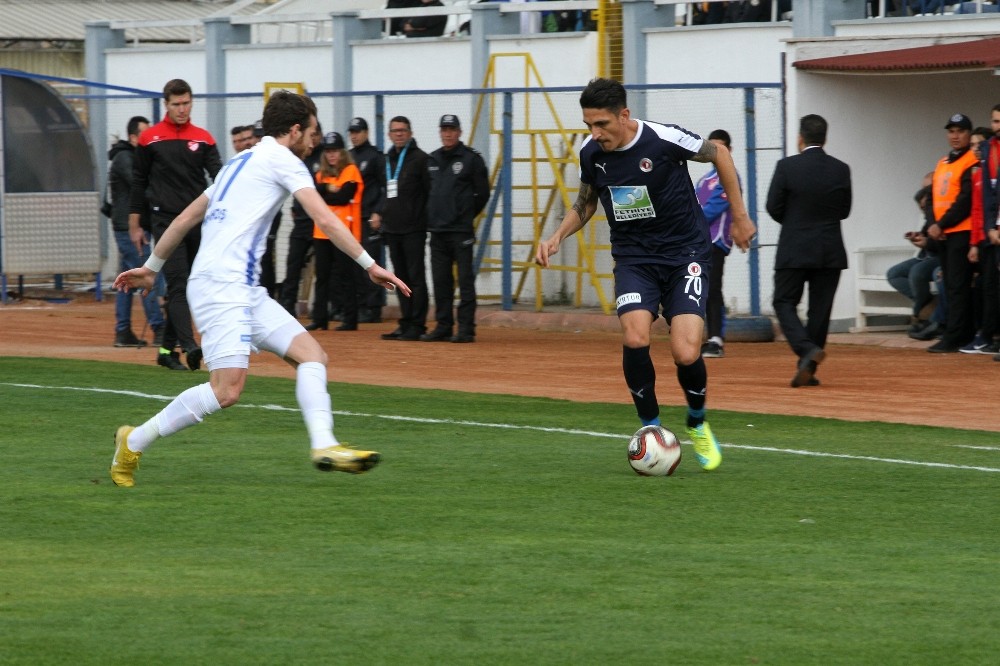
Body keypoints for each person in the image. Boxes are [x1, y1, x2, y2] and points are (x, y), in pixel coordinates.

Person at [110, 90, 411, 488]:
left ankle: (324, 445)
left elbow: (184, 218)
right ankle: (134, 439)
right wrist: (369, 264)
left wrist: (151, 268)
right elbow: (324, 216)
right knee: (226, 390)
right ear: (294, 129)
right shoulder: (283, 160)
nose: (315, 140)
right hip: (221, 285)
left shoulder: (241, 161)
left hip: (242, 287)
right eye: (313, 131)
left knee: (311, 355)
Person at [535, 78, 755, 471]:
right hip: (635, 258)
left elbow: (719, 153)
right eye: (588, 124)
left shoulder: (664, 139)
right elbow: (586, 203)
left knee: (686, 351)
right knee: (635, 335)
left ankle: (697, 422)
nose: (594, 133)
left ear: (624, 115)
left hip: (685, 253)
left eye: (601, 124)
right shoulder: (591, 154)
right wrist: (555, 236)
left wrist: (739, 217)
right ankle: (650, 428)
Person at [129, 78, 222, 372]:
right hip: (165, 221)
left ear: (191, 102)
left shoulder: (204, 138)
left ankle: (167, 351)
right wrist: (135, 222)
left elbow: (220, 178)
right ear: (166, 105)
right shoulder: (150, 138)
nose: (182, 109)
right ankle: (190, 346)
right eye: (176, 104)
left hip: (197, 220)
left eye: (186, 103)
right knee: (179, 284)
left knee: (191, 287)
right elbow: (139, 181)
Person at [766, 114, 852, 387]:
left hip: (794, 246)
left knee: (783, 301)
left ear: (800, 138)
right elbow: (844, 210)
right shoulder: (841, 169)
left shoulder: (787, 166)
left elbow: (772, 206)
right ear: (824, 138)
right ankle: (809, 367)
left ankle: (805, 350)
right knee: (820, 310)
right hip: (830, 248)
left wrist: (794, 223)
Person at [423, 114, 490, 343]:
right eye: (444, 129)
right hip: (438, 232)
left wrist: (466, 214)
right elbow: (425, 193)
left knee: (465, 281)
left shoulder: (471, 159)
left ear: (459, 132)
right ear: (440, 132)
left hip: (460, 231)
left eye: (452, 129)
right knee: (441, 282)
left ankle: (466, 329)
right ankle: (443, 326)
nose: (448, 133)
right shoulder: (432, 159)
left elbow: (482, 194)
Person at [108, 115, 165, 348]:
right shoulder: (125, 158)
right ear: (133, 137)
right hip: (129, 228)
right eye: (144, 133)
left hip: (129, 226)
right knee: (144, 274)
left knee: (127, 279)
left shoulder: (130, 157)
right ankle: (159, 327)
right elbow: (140, 186)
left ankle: (123, 332)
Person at [924, 114, 978, 353]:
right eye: (951, 131)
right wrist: (934, 225)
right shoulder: (943, 161)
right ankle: (958, 332)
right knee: (950, 284)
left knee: (958, 285)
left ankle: (955, 336)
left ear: (968, 133)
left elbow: (965, 200)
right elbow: (932, 197)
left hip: (961, 231)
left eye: (960, 131)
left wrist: (941, 225)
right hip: (944, 232)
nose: (955, 136)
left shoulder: (971, 160)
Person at [379, 116, 431, 341]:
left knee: (416, 277)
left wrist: (422, 219)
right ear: (389, 134)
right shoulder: (387, 159)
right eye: (394, 131)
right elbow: (384, 191)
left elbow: (429, 194)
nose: (399, 134)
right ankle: (405, 321)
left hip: (413, 229)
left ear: (410, 133)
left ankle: (418, 325)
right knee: (398, 278)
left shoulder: (421, 159)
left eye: (403, 130)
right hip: (392, 229)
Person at [307, 131, 365, 332]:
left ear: (342, 152)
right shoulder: (320, 174)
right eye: (328, 151)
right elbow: (317, 195)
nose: (331, 155)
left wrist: (326, 190)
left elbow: (343, 197)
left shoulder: (351, 171)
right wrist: (330, 190)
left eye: (335, 151)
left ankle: (350, 319)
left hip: (343, 231)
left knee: (345, 275)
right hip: (322, 232)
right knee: (322, 276)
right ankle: (320, 318)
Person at [694, 128, 741, 358]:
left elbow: (712, 209)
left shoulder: (729, 175)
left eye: (720, 147)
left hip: (716, 241)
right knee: (699, 290)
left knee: (713, 289)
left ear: (729, 150)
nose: (715, 152)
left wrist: (690, 222)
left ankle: (716, 339)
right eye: (711, 147)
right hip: (698, 242)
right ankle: (703, 336)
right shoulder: (704, 179)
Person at [887, 173, 946, 341]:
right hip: (926, 254)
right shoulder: (928, 207)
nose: (924, 191)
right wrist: (918, 236)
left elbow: (944, 243)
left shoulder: (943, 207)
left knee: (917, 272)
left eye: (927, 188)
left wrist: (926, 243)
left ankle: (922, 315)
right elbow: (928, 233)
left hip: (941, 256)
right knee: (894, 273)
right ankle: (927, 304)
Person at [960, 126, 998, 355]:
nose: (975, 149)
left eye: (979, 144)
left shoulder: (992, 172)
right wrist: (975, 242)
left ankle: (989, 334)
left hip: (994, 236)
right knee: (988, 288)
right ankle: (986, 334)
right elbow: (976, 210)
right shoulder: (977, 172)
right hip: (984, 239)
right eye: (973, 145)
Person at [280, 122, 323, 316]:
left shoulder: (324, 157)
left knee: (323, 270)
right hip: (301, 222)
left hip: (318, 223)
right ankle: (287, 308)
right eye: (310, 135)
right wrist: (295, 208)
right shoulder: (296, 158)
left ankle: (323, 311)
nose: (312, 139)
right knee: (293, 266)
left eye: (315, 135)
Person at [348, 117, 388, 324]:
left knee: (370, 264)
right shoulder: (348, 157)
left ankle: (373, 308)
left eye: (358, 131)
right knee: (355, 265)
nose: (354, 135)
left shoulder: (375, 157)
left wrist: (378, 212)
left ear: (366, 132)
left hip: (368, 218)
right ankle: (360, 304)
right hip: (351, 219)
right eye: (351, 132)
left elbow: (385, 187)